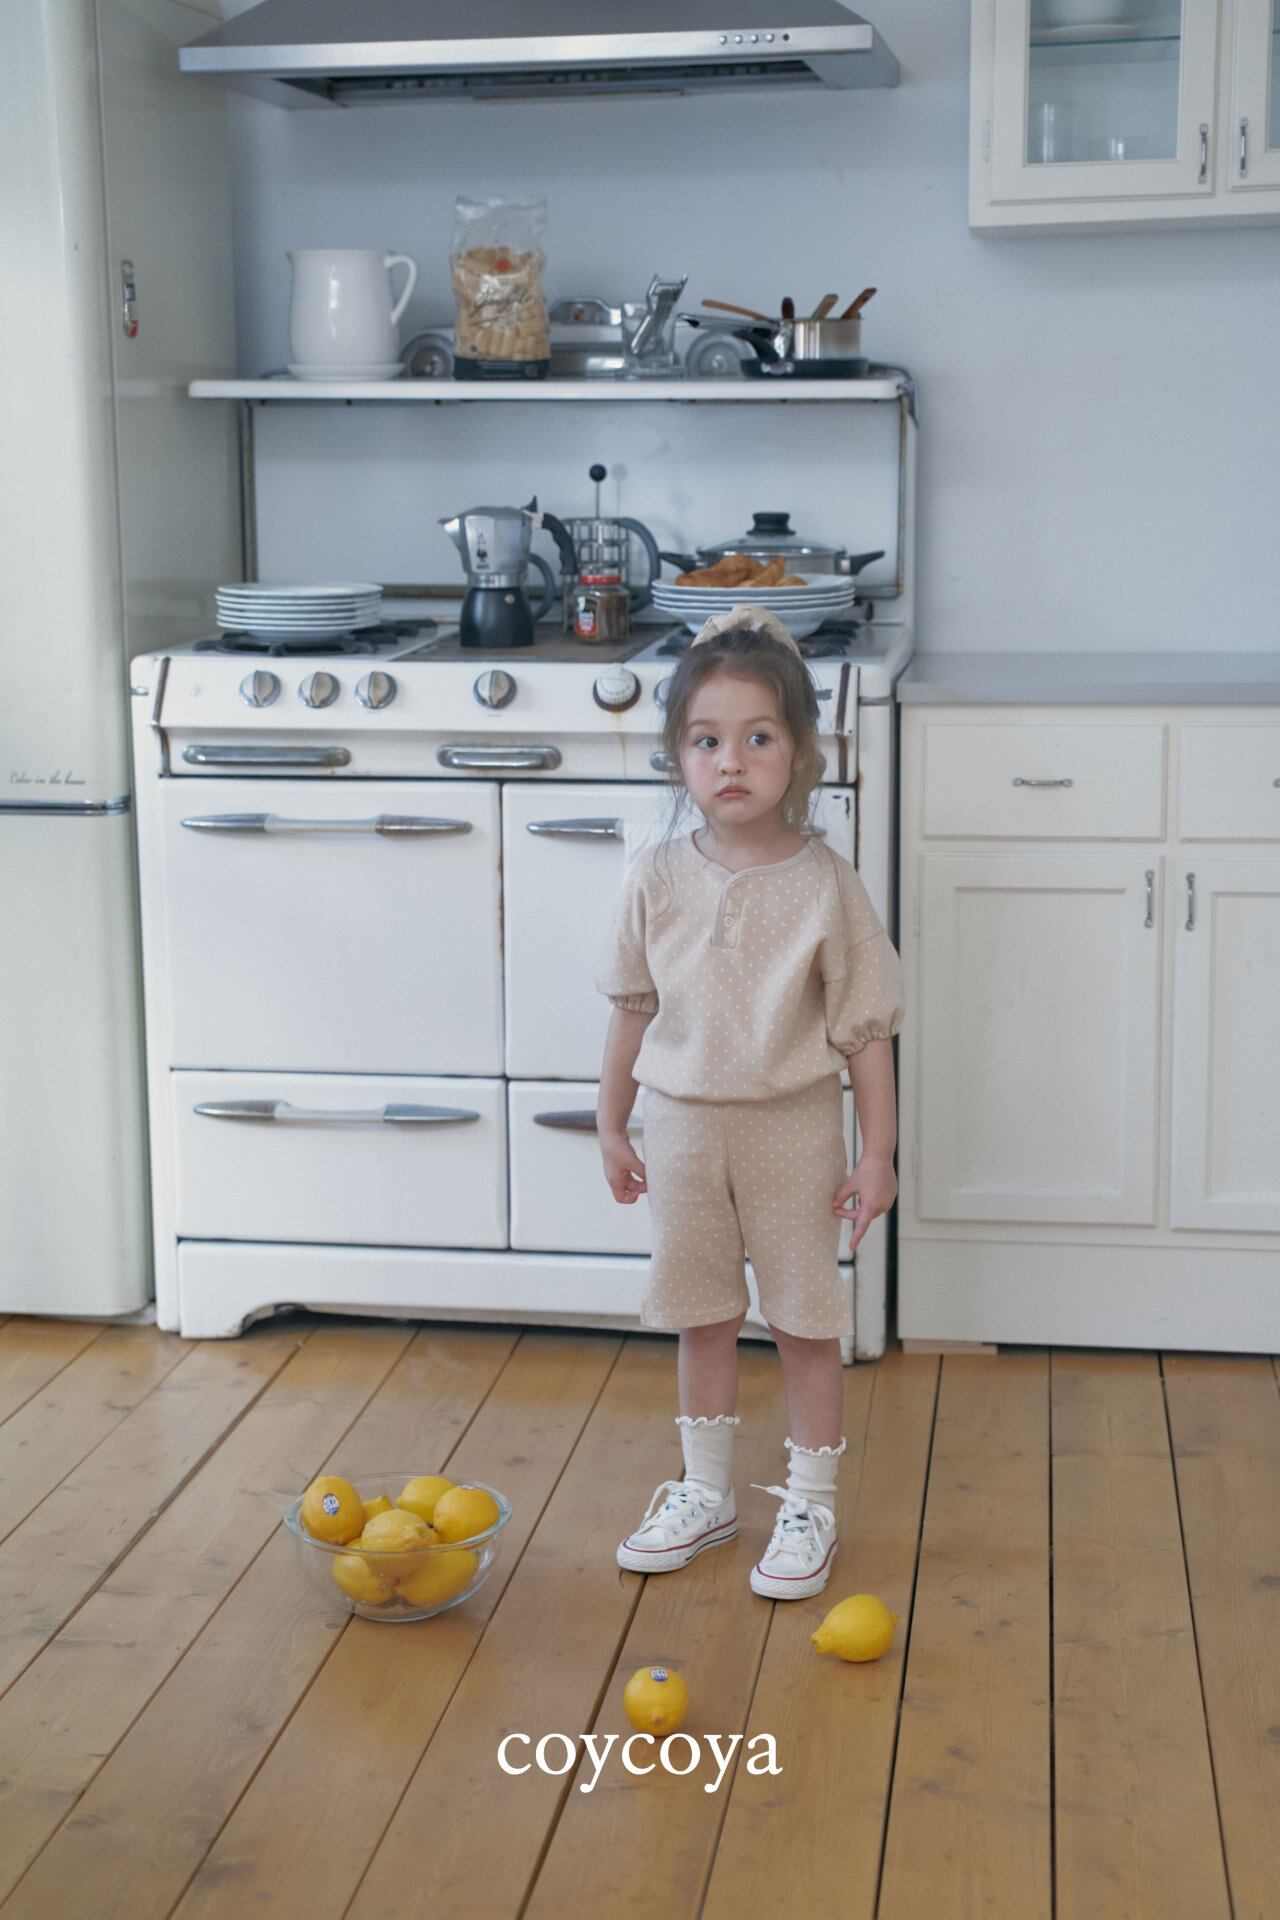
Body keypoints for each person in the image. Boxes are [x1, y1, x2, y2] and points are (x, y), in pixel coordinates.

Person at [593, 604, 905, 1601]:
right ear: (678, 756)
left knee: (806, 1321)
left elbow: (865, 1030)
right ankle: (706, 1492)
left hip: (793, 1132)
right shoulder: (654, 877)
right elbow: (632, 1008)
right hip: (681, 1129)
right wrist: (610, 1122)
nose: (731, 761)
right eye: (706, 741)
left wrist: (877, 1154)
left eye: (758, 738)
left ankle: (809, 1500)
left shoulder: (826, 886)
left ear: (799, 752)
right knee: (702, 1314)